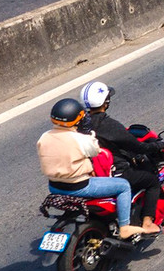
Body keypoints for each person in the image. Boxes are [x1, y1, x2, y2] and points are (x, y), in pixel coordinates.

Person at [37, 98, 152, 240]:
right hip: (80, 186)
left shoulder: (44, 137)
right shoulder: (80, 139)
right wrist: (87, 133)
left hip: (55, 187)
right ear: (78, 119)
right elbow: (95, 151)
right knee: (123, 186)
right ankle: (125, 227)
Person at [79, 80, 164, 235]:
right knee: (152, 181)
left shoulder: (80, 123)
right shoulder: (109, 125)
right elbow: (139, 147)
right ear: (105, 102)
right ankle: (148, 223)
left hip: (87, 173)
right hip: (113, 173)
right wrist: (159, 145)